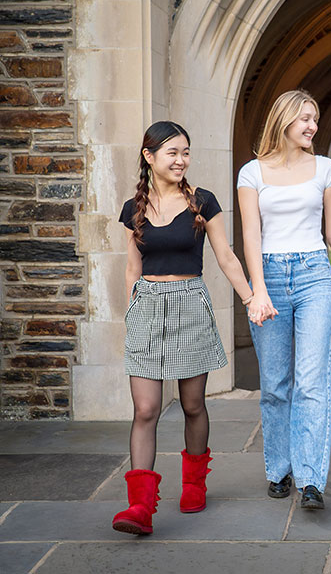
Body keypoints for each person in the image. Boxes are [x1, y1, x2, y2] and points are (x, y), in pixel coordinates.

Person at [113, 121, 264, 535]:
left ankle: (194, 482)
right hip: (146, 308)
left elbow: (227, 258)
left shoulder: (202, 203)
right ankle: (140, 507)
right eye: (172, 153)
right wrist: (132, 317)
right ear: (150, 157)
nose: (181, 160)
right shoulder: (135, 208)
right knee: (145, 409)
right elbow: (132, 269)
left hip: (189, 306)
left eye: (185, 152)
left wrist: (252, 300)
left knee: (193, 404)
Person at [237, 89, 331, 511]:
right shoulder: (251, 173)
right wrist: (258, 290)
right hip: (268, 274)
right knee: (274, 384)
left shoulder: (326, 168)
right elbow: (251, 234)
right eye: (306, 118)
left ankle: (310, 479)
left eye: (316, 119)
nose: (312, 126)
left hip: (313, 276)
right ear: (284, 119)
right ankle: (279, 469)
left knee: (312, 381)